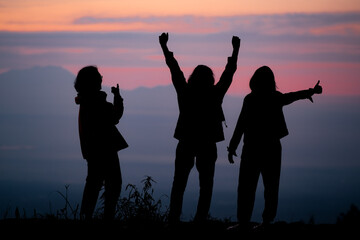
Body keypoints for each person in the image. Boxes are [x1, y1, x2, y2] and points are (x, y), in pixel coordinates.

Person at [227, 66, 322, 231]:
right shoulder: (273, 98)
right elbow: (291, 96)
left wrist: (233, 146)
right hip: (271, 148)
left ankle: (244, 222)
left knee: (246, 187)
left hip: (252, 148)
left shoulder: (251, 99)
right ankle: (265, 222)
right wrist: (310, 92)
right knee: (270, 186)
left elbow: (241, 124)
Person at [159, 32, 240, 223]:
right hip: (208, 143)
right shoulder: (215, 94)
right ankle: (200, 219)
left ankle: (173, 218)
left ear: (193, 77)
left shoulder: (185, 92)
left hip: (186, 141)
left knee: (179, 183)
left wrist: (164, 47)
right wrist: (235, 49)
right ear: (210, 79)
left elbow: (174, 70)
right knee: (206, 184)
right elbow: (229, 74)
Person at [74, 65, 128, 221]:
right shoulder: (96, 101)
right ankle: (106, 217)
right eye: (98, 77)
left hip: (93, 149)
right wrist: (117, 97)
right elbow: (114, 116)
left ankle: (87, 216)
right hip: (105, 148)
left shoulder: (85, 101)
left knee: (94, 183)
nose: (101, 78)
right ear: (93, 81)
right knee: (112, 183)